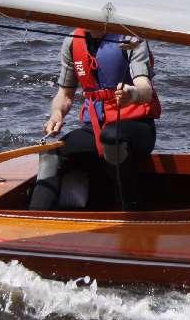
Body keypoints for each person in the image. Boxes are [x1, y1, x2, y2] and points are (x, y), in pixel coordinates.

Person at [29, 28, 161, 211]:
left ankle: (130, 209)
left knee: (111, 138)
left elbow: (145, 90)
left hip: (137, 126)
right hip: (97, 127)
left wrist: (131, 94)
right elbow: (65, 94)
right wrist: (57, 114)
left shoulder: (130, 38)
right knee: (51, 153)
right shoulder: (72, 42)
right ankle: (35, 217)